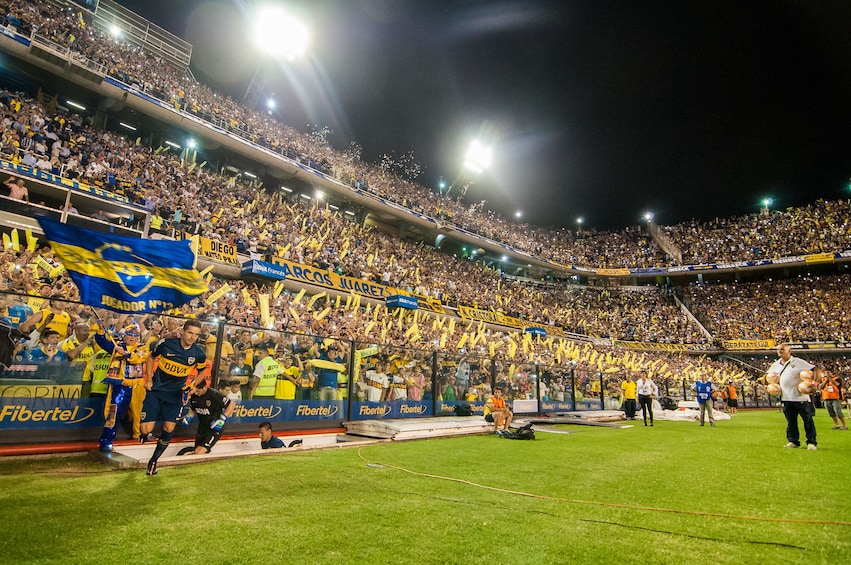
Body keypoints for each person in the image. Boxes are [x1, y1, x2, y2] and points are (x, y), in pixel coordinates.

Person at [141, 320, 207, 475]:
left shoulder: (198, 353)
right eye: (190, 333)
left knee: (169, 427)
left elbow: (201, 373)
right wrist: (149, 378)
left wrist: (191, 386)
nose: (192, 337)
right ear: (183, 331)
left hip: (176, 394)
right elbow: (151, 358)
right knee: (145, 429)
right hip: (156, 390)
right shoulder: (166, 344)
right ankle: (145, 433)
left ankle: (154, 461)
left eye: (196, 335)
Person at [94, 323, 150, 451]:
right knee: (113, 412)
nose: (132, 338)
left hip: (137, 386)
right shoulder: (116, 346)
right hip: (120, 385)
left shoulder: (142, 347)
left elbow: (138, 358)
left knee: (139, 413)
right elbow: (101, 341)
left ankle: (139, 436)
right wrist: (102, 330)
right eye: (129, 335)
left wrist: (125, 354)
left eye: (135, 335)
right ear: (124, 336)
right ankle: (106, 439)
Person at [767, 343, 817, 450]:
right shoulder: (775, 365)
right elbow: (765, 377)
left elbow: (816, 369)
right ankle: (793, 441)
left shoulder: (797, 361)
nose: (779, 351)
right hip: (786, 398)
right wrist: (769, 382)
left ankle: (811, 442)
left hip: (801, 398)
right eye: (778, 349)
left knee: (808, 421)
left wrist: (814, 383)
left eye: (782, 349)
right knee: (791, 422)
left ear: (789, 351)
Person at [185, 380, 235, 455]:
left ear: (204, 387)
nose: (196, 393)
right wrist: (188, 417)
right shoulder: (194, 395)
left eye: (198, 391)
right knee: (197, 452)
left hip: (214, 427)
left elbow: (231, 404)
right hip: (202, 427)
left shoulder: (214, 394)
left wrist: (222, 419)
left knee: (199, 452)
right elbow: (193, 409)